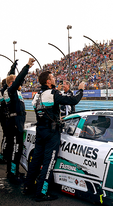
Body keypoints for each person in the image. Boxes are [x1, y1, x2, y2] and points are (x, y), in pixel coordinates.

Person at [23, 71, 85, 202]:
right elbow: (73, 100)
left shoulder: (36, 96)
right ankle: (41, 193)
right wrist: (80, 90)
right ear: (48, 81)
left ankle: (27, 187)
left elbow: (45, 112)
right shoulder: (52, 93)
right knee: (49, 162)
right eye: (52, 77)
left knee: (36, 161)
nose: (55, 79)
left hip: (40, 131)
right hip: (51, 133)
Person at [4, 58, 35, 183]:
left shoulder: (15, 91)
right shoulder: (11, 91)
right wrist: (27, 66)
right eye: (16, 81)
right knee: (15, 148)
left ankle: (14, 171)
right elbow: (19, 79)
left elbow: (20, 79)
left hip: (17, 121)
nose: (20, 83)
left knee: (16, 147)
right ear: (12, 83)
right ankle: (12, 173)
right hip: (15, 122)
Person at [0, 61, 17, 164]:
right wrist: (12, 68)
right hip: (4, 115)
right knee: (6, 136)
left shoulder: (5, 90)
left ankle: (7, 153)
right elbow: (1, 101)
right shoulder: (3, 91)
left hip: (7, 115)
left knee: (9, 136)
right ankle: (2, 155)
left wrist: (13, 68)